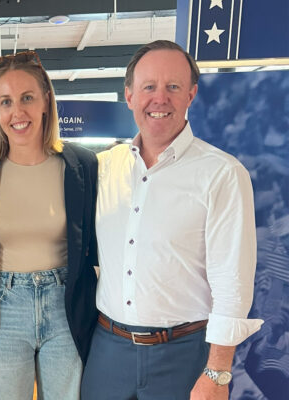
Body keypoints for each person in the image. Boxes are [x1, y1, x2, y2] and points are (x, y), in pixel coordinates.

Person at [81, 40, 263, 400]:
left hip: (183, 353)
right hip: (107, 351)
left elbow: (232, 282)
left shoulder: (222, 174)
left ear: (191, 95)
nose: (159, 98)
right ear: (129, 95)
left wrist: (218, 373)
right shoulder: (103, 168)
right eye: (149, 87)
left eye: (173, 87)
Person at [0, 51, 99, 399]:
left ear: (46, 101)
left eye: (27, 98)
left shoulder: (80, 164)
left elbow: (96, 244)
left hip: (65, 304)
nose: (17, 112)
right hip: (3, 305)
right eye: (6, 101)